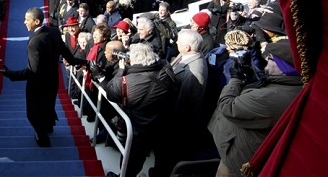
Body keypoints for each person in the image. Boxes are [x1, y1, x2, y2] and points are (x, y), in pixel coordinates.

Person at [208, 40, 302, 176]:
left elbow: (228, 106)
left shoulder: (272, 97)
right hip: (241, 151)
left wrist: (235, 79)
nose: (266, 62)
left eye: (270, 59)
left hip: (237, 163)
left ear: (284, 68)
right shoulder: (290, 86)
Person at [0, 7, 87, 147]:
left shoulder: (35, 42)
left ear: (36, 21)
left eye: (27, 20)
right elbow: (67, 55)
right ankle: (48, 127)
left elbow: (32, 72)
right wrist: (82, 62)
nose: (24, 22)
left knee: (33, 113)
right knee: (48, 106)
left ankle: (43, 139)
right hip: (52, 81)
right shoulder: (54, 32)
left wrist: (10, 74)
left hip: (38, 85)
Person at [105, 43, 178, 177]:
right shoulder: (165, 68)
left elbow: (110, 92)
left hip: (139, 127)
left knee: (132, 161)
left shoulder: (126, 81)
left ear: (132, 60)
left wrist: (121, 70)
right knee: (162, 159)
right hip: (163, 124)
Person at [170, 29, 209, 162]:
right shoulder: (186, 54)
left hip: (179, 124)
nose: (176, 42)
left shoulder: (195, 72)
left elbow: (186, 104)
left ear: (187, 47)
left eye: (179, 41)